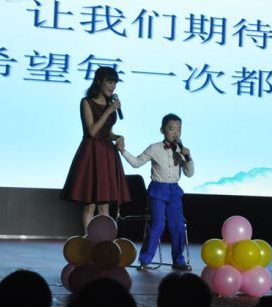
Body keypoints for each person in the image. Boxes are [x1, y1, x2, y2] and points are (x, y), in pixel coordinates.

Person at [117, 113, 194, 271]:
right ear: (162, 130)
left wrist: (188, 157)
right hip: (158, 190)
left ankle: (178, 260)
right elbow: (136, 163)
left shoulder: (181, 151)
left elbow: (189, 173)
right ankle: (145, 260)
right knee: (158, 224)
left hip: (174, 191)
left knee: (177, 225)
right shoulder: (155, 148)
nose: (176, 133)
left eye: (179, 129)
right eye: (172, 129)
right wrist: (122, 150)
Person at [61, 66, 131, 231]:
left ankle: (104, 240)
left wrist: (118, 136)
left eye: (114, 83)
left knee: (104, 205)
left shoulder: (110, 104)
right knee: (90, 204)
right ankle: (88, 240)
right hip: (91, 153)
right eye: (109, 82)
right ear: (98, 82)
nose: (112, 87)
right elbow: (92, 131)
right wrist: (108, 111)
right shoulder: (87, 102)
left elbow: (107, 131)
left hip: (107, 154)